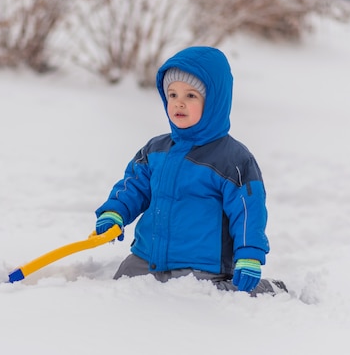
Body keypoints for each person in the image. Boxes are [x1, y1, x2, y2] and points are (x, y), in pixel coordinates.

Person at [94, 46, 286, 296]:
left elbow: (248, 212)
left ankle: (267, 289)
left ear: (214, 102)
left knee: (210, 297)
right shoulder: (156, 149)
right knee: (120, 283)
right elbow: (134, 187)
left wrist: (249, 254)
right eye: (172, 94)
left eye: (191, 96)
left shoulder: (233, 159)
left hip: (203, 267)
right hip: (147, 256)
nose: (179, 103)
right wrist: (115, 212)